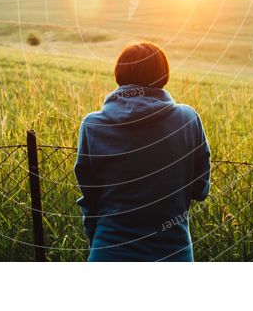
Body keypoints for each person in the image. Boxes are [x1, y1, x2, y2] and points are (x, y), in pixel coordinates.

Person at [74, 41, 211, 262]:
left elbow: (90, 198)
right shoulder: (187, 119)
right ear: (163, 75)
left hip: (109, 252)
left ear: (119, 73)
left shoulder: (93, 126)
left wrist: (96, 241)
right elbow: (200, 190)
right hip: (172, 254)